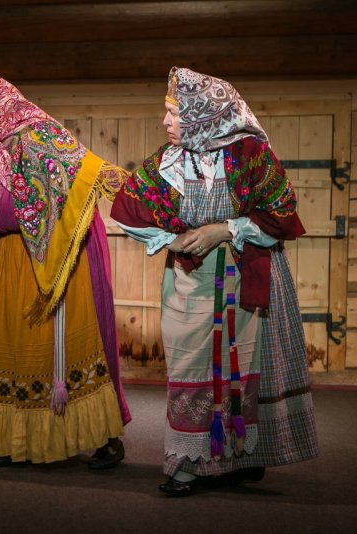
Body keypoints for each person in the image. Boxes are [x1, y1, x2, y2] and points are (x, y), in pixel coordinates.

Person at [111, 66, 319, 496]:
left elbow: (281, 214)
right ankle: (187, 461)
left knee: (242, 366)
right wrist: (172, 239)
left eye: (174, 113)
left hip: (246, 273)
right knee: (190, 367)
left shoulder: (249, 155)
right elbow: (128, 209)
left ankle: (238, 457)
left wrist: (224, 230)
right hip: (191, 279)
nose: (166, 121)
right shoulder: (169, 161)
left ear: (202, 116)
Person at [0, 73, 131, 468]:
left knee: (65, 351)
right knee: (12, 350)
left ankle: (103, 439)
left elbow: (84, 176)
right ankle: (14, 440)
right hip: (9, 258)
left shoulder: (40, 135)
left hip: (52, 260)